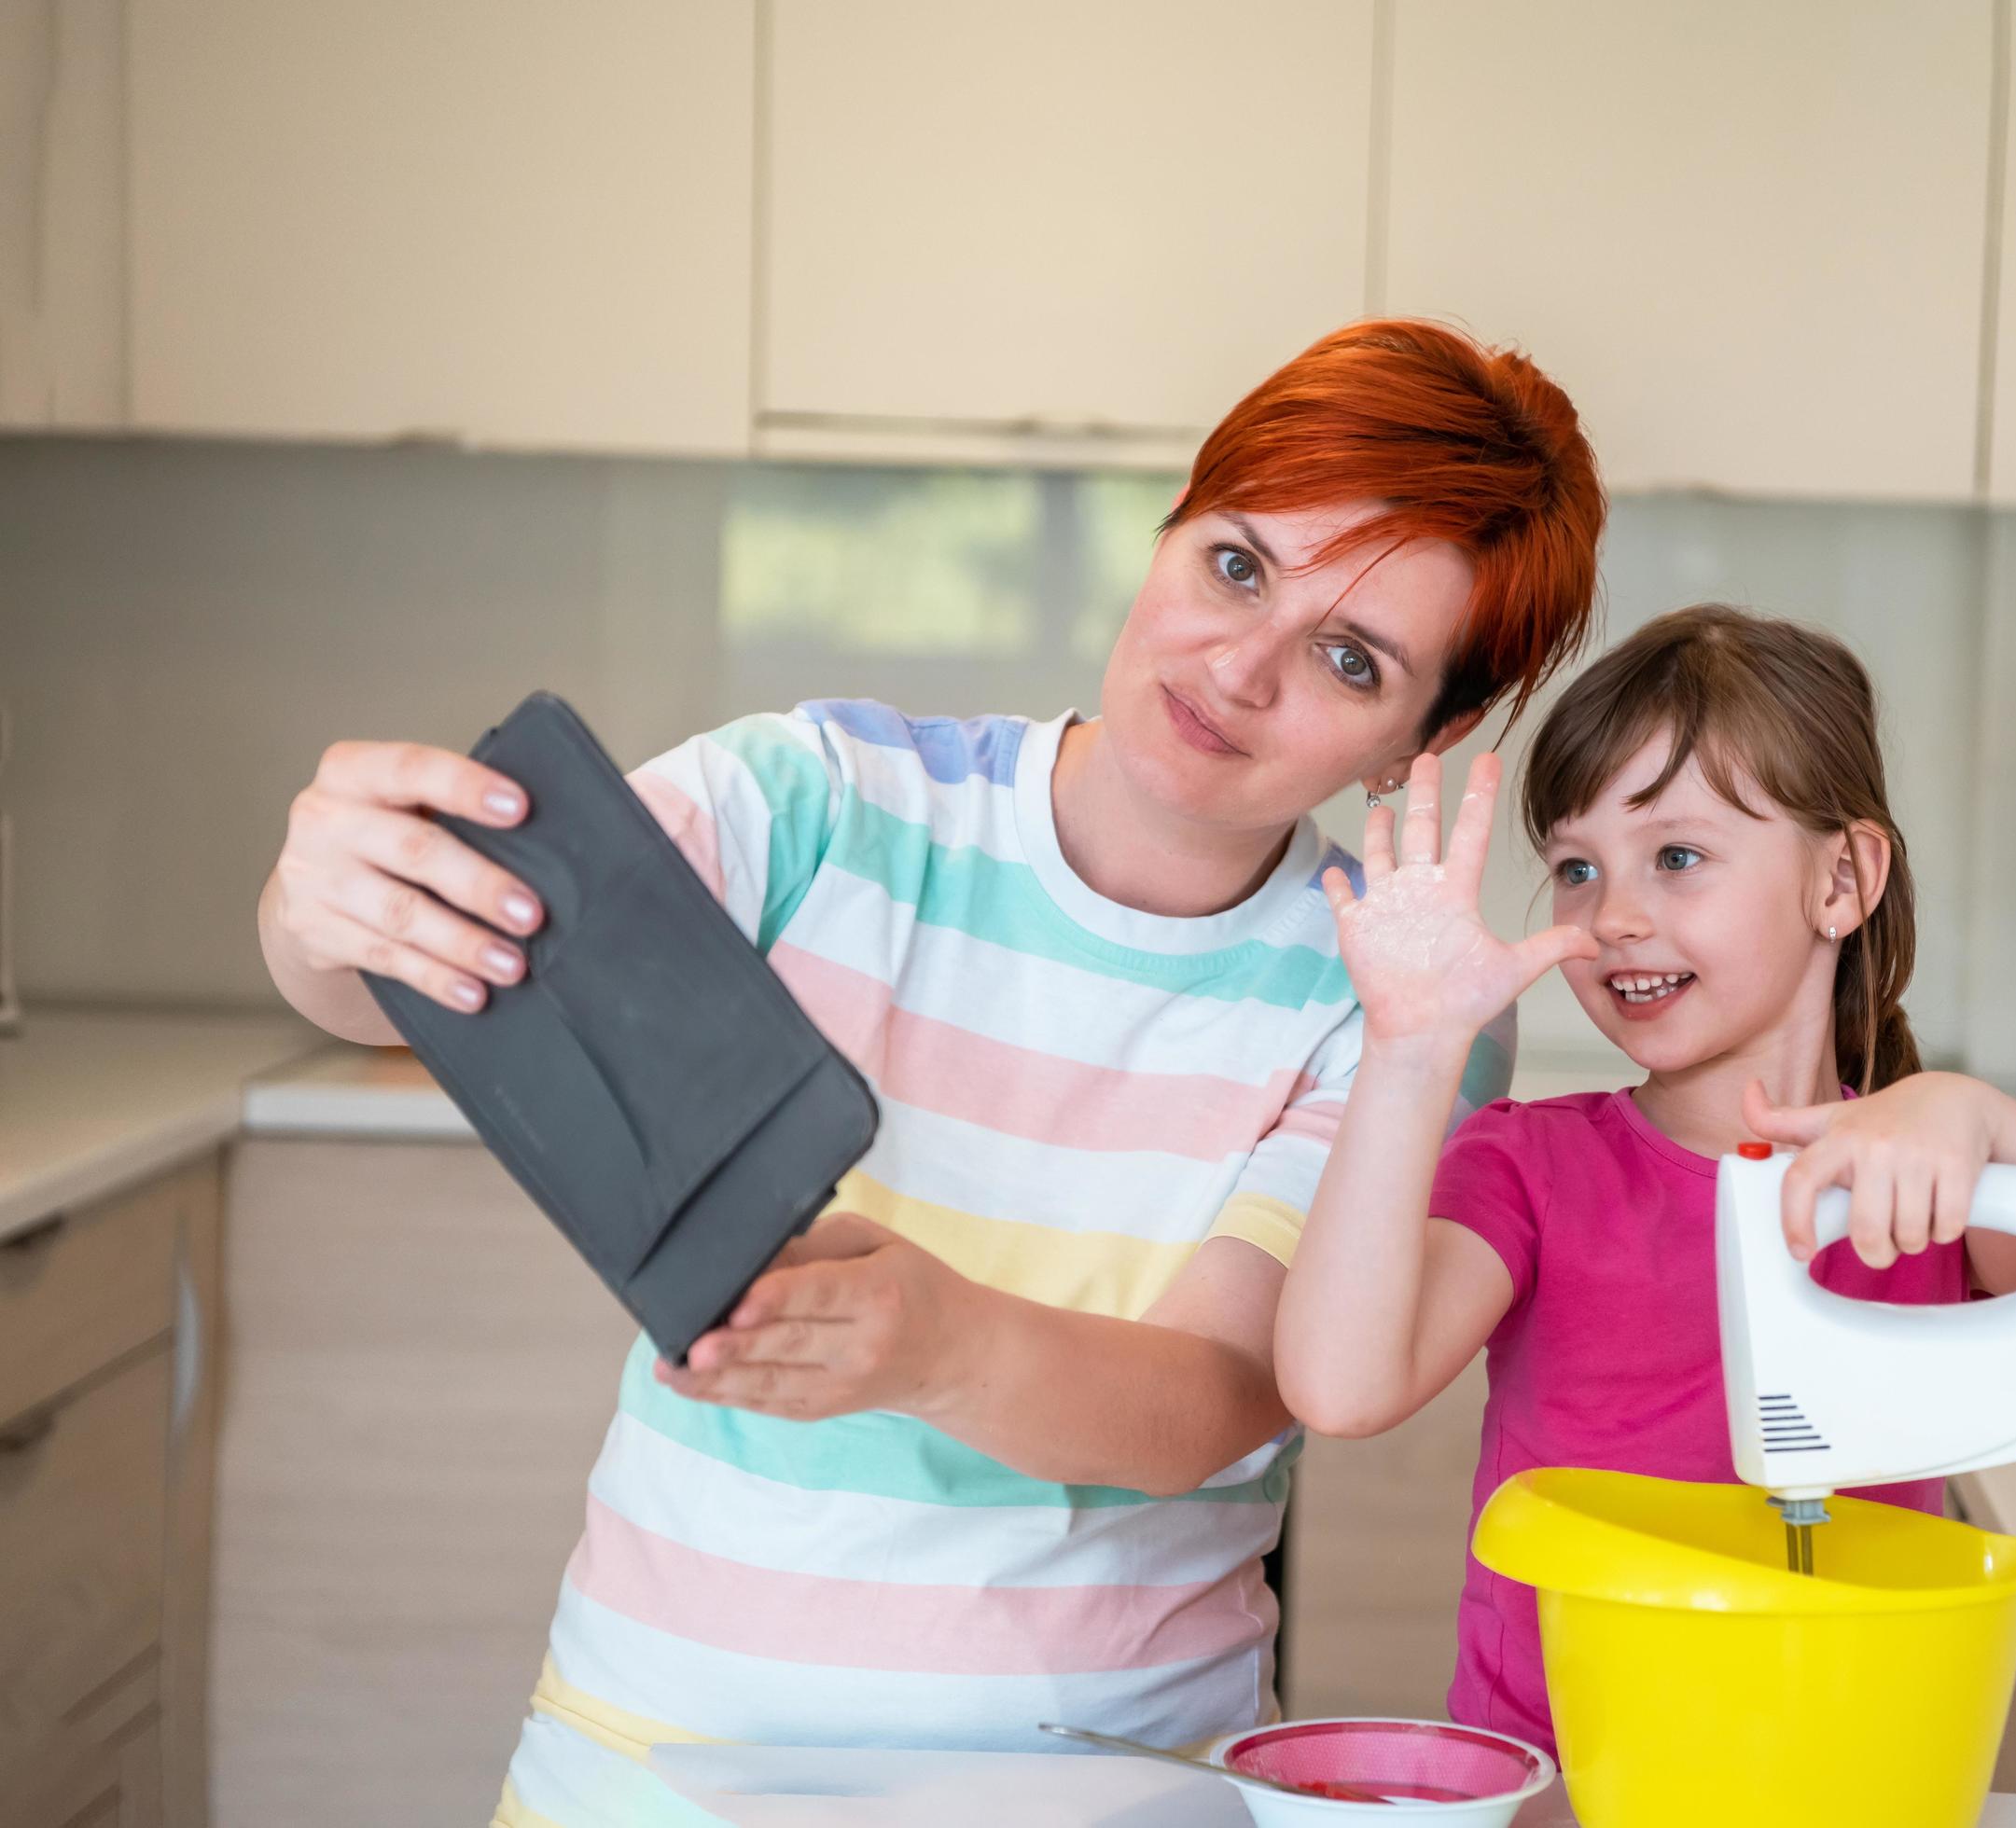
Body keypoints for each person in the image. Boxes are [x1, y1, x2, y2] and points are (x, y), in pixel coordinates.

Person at [254, 320, 1607, 1825]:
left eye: (1349, 660)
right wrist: (324, 913)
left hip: (1103, 1786)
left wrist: (945, 1344)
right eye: (1236, 564)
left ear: (1423, 738)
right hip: (650, 1765)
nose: (1239, 667)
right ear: (1169, 528)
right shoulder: (823, 801)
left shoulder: (1398, 1001)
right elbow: (426, 976)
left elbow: (1215, 1399)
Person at [1274, 604, 2016, 1754]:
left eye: (1679, 856)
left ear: (1842, 879)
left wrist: (1980, 1114)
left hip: (1842, 1767)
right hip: (1572, 1777)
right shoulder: (1532, 1165)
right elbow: (1342, 1389)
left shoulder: (1918, 1178)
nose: (1616, 917)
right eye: (1575, 867)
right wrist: (1408, 1048)